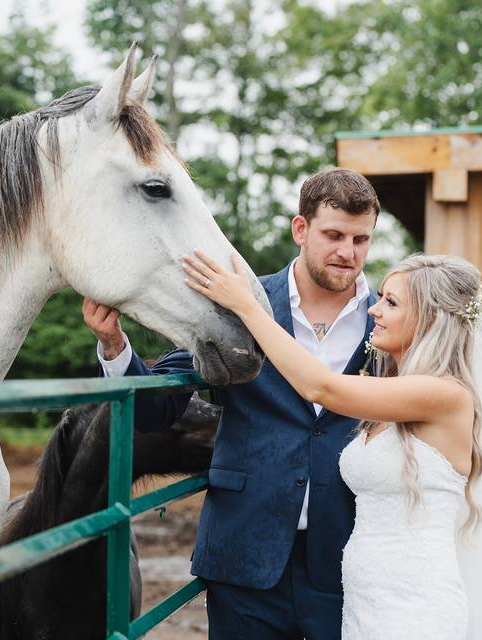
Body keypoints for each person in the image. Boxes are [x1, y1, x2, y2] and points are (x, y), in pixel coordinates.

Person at [84, 168, 380, 639]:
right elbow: (154, 413)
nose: (348, 252)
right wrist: (115, 346)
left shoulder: (386, 322)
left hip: (350, 560)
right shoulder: (237, 304)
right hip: (245, 557)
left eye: (361, 239)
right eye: (334, 235)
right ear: (300, 229)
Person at [181, 250, 482, 639]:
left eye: (391, 302)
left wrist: (247, 307)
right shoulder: (392, 389)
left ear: (429, 319)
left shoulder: (443, 395)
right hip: (366, 598)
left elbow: (320, 386)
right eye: (381, 297)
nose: (373, 311)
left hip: (414, 601)